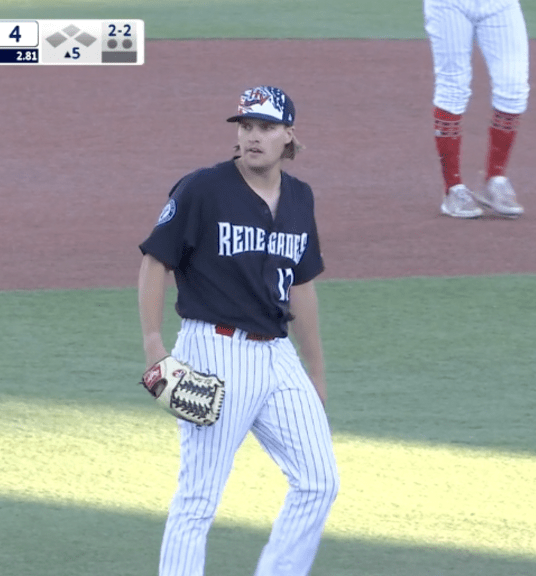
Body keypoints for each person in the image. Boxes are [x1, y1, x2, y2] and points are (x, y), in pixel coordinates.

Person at [138, 85, 339, 576]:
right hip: (213, 350)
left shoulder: (300, 197)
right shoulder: (203, 188)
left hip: (278, 355)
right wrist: (154, 344)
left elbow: (302, 288)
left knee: (319, 482)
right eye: (246, 126)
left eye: (266, 128)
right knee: (199, 497)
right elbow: (154, 260)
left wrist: (315, 369)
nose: (253, 137)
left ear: (288, 136)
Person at [425, 0, 531, 218]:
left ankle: (495, 180)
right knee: (453, 87)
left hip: (500, 5)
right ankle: (453, 189)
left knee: (514, 87)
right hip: (449, 4)